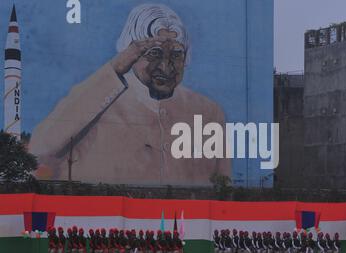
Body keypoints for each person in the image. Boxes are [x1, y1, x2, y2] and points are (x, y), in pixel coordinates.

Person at [29, 4, 231, 186]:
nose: (165, 67)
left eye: (176, 54)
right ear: (131, 54)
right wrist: (115, 68)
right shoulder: (97, 99)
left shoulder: (208, 113)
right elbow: (40, 147)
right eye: (154, 52)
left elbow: (223, 186)